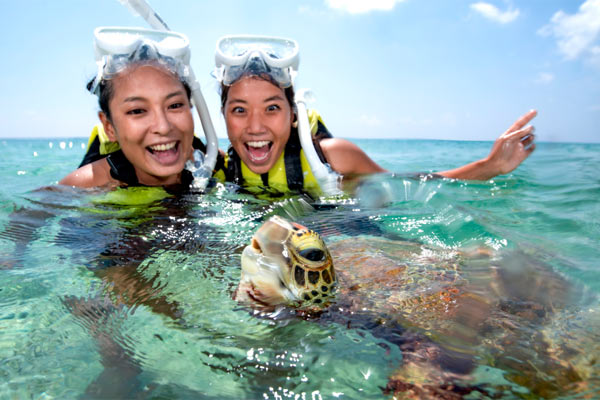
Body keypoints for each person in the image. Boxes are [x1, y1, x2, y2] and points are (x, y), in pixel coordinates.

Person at [213, 35, 536, 197]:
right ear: (224, 117)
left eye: (272, 108)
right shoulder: (218, 171)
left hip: (350, 236)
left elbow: (410, 186)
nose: (255, 126)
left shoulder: (333, 157)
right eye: (239, 110)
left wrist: (489, 166)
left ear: (293, 116)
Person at [61, 27, 218, 190]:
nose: (163, 127)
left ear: (190, 107)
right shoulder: (79, 188)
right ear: (109, 128)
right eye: (137, 111)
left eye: (175, 105)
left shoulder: (214, 165)